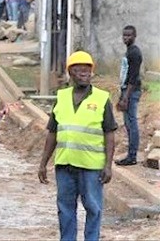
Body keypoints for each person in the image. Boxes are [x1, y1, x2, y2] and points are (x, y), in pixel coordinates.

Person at [38, 51, 117, 241]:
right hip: (64, 165)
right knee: (65, 209)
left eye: (88, 69)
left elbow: (110, 134)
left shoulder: (101, 99)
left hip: (91, 167)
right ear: (70, 73)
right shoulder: (62, 97)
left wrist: (108, 165)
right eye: (79, 69)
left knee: (93, 208)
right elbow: (52, 133)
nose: (84, 72)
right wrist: (43, 163)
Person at [115, 25, 143, 166]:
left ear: (135, 36)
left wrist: (126, 97)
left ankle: (132, 156)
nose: (126, 38)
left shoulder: (135, 53)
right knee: (127, 123)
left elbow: (133, 77)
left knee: (131, 124)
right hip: (126, 90)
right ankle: (130, 154)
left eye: (129, 35)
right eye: (124, 35)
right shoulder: (129, 51)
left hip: (131, 92)